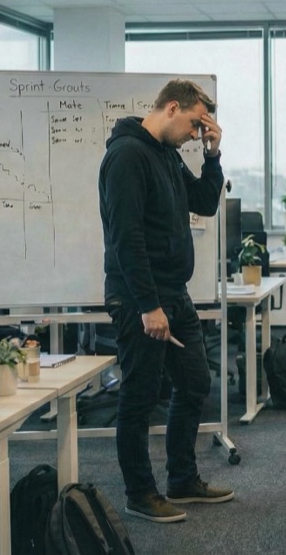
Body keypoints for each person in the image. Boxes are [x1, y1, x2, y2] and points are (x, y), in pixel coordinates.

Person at [99, 79, 233, 523]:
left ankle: (182, 479)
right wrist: (148, 305)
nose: (196, 134)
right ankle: (140, 493)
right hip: (142, 299)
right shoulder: (126, 156)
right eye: (195, 125)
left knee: (194, 382)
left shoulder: (165, 154)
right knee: (139, 397)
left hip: (174, 295)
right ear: (172, 108)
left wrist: (213, 155)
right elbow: (126, 238)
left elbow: (205, 203)